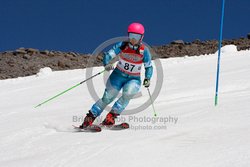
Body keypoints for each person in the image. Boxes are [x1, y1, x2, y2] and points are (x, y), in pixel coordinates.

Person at [79, 22, 153, 129]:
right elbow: (109, 54)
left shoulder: (144, 51)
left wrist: (147, 78)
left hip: (133, 79)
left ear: (141, 37)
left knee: (129, 93)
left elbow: (148, 67)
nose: (133, 39)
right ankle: (89, 119)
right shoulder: (123, 45)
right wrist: (107, 64)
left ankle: (110, 118)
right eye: (131, 36)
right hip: (117, 76)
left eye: (136, 37)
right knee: (108, 97)